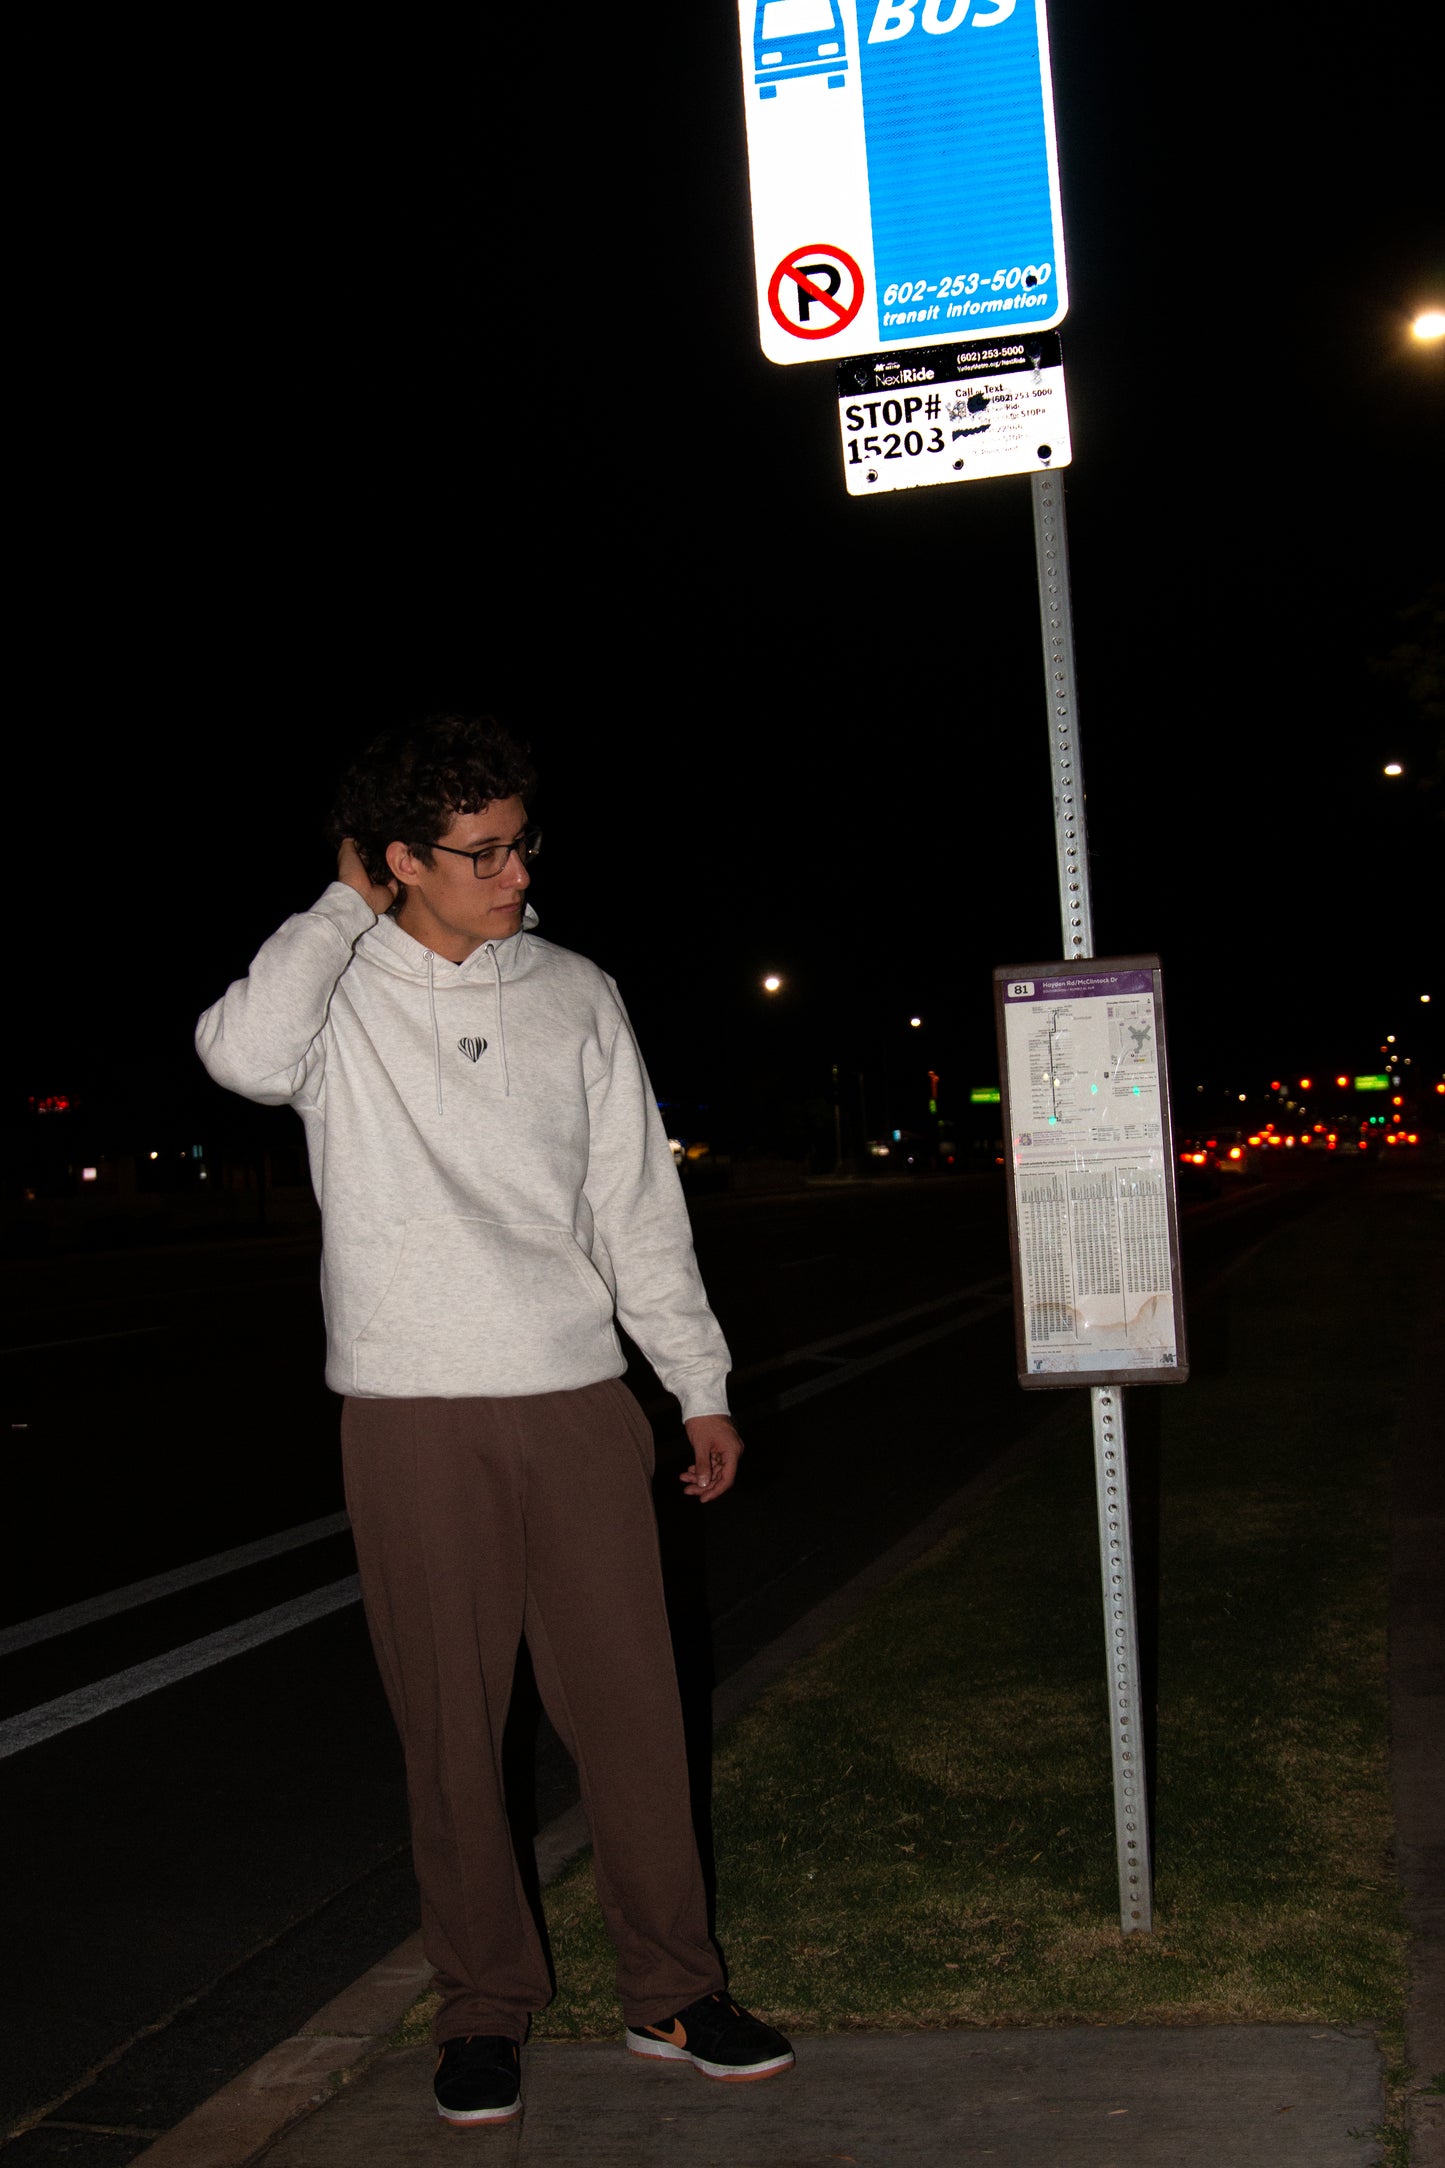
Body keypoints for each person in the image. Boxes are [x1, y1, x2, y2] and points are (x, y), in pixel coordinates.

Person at [195, 713, 793, 2126]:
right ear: (398, 861)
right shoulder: (333, 993)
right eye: (477, 853)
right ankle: (483, 2009)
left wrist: (694, 1384)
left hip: (578, 1403)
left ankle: (671, 1989)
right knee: (452, 1732)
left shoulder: (577, 992)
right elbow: (238, 1056)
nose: (514, 872)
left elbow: (633, 1210)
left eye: (521, 843)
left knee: (636, 1715)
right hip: (412, 1415)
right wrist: (340, 908)